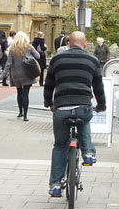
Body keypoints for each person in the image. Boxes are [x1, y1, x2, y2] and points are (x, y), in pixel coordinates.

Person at [43, 31, 106, 197]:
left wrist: (48, 103)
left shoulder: (57, 59)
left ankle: (56, 185)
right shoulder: (92, 60)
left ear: (68, 44)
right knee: (84, 119)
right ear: (85, 45)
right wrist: (101, 105)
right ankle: (88, 153)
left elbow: (49, 84)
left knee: (60, 145)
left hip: (61, 107)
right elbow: (98, 87)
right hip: (83, 106)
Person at [0, 31, 40, 121]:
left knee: (19, 93)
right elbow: (38, 56)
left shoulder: (12, 49)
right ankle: (25, 115)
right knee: (26, 94)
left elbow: (8, 64)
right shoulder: (29, 47)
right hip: (28, 74)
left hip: (16, 75)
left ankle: (20, 112)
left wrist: (2, 76)